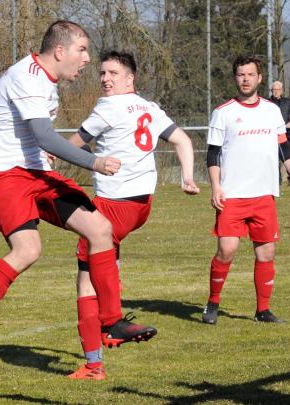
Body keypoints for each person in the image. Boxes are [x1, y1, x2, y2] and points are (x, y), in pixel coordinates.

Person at [0, 20, 156, 357]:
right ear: (60, 51)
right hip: (3, 175)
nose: (87, 59)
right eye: (81, 50)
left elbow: (38, 142)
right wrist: (94, 162)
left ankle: (112, 322)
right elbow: (44, 137)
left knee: (100, 229)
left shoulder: (46, 81)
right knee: (28, 250)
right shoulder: (26, 76)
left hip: (35, 174)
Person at [65, 50, 200, 380]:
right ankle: (96, 360)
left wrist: (45, 159)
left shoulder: (107, 107)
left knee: (86, 278)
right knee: (97, 269)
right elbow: (182, 140)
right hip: (140, 206)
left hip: (114, 205)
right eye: (102, 73)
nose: (105, 79)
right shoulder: (150, 108)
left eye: (112, 73)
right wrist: (187, 176)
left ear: (130, 78)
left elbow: (72, 145)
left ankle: (109, 331)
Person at [202, 55, 290, 325]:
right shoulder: (223, 112)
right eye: (241, 74)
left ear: (260, 78)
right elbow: (212, 155)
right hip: (233, 196)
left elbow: (284, 148)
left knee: (267, 253)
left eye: (251, 74)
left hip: (264, 195)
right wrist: (215, 187)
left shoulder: (272, 111)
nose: (246, 79)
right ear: (235, 78)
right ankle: (213, 303)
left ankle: (263, 310)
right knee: (226, 250)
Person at [268, 81, 290, 184]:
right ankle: (277, 180)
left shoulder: (288, 102)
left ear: (281, 91)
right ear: (271, 91)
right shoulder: (267, 103)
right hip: (271, 134)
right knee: (274, 157)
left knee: (288, 156)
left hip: (286, 133)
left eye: (278, 90)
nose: (276, 92)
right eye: (274, 90)